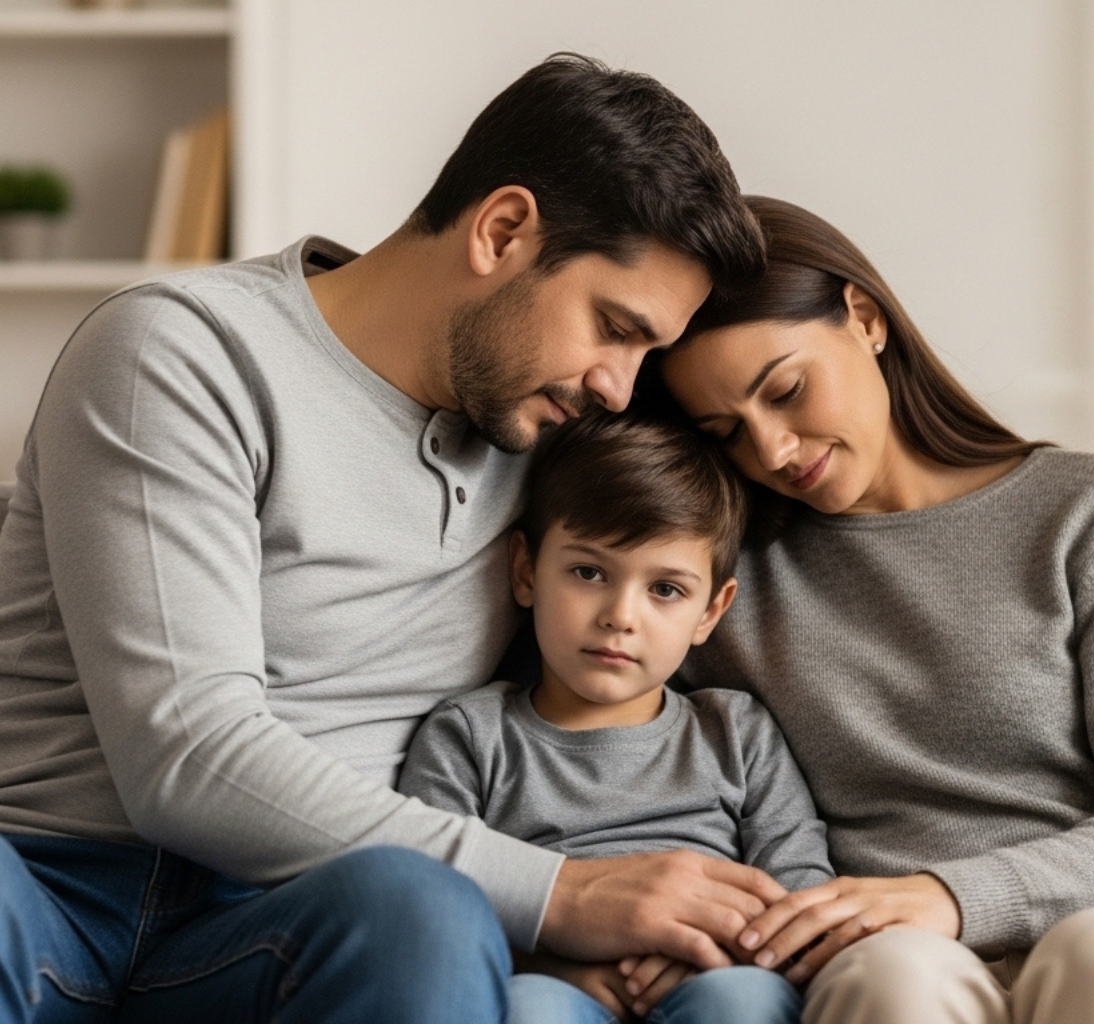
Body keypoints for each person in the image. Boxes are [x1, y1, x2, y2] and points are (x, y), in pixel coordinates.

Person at [0, 54, 778, 1024]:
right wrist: (562, 895)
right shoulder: (184, 353)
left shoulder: (551, 441)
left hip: (299, 919)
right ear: (502, 230)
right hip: (56, 889)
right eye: (613, 327)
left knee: (419, 908)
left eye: (646, 352)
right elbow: (185, 755)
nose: (620, 386)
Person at [657, 196, 1094, 1024]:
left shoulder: (1088, 510)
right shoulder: (721, 584)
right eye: (725, 431)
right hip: (892, 958)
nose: (771, 450)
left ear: (864, 318)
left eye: (788, 390)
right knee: (895, 981)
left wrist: (953, 894)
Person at [399, 412, 831, 1024]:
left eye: (666, 590)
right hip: (551, 981)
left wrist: (722, 953)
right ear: (526, 571)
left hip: (719, 974)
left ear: (711, 610)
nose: (620, 616)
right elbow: (437, 905)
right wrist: (554, 967)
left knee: (745, 1003)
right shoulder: (469, 736)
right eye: (589, 572)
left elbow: (798, 886)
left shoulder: (736, 733)